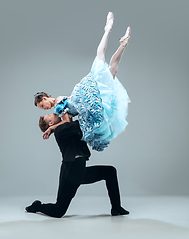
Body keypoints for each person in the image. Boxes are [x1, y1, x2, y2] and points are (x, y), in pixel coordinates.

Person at [34, 12, 131, 151]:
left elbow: (67, 121)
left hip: (86, 98)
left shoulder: (58, 107)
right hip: (85, 99)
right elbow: (68, 120)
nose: (46, 109)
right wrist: (54, 126)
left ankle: (112, 34)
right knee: (108, 70)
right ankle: (119, 41)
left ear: (45, 98)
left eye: (43, 106)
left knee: (105, 67)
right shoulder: (58, 107)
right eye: (43, 109)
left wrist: (53, 128)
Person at [25, 113, 129, 217]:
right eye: (49, 115)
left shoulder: (64, 127)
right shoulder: (60, 130)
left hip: (79, 169)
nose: (53, 112)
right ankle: (37, 206)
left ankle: (116, 208)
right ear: (51, 123)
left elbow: (74, 122)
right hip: (70, 172)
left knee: (110, 171)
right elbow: (79, 124)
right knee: (58, 211)